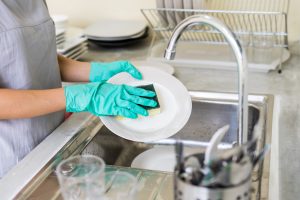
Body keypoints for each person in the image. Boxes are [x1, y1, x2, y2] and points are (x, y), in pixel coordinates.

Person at [0, 0, 157, 177]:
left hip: (52, 140)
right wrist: (78, 96)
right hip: (13, 158)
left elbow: (35, 57)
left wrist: (95, 71)